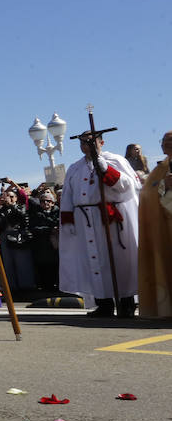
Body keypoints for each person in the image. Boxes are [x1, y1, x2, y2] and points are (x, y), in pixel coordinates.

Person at [60, 132, 141, 317]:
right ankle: (103, 303)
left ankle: (126, 302)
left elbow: (129, 187)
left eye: (90, 142)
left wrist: (105, 169)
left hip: (110, 219)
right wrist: (68, 220)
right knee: (93, 261)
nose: (85, 145)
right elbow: (67, 196)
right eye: (83, 142)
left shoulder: (115, 160)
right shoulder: (75, 167)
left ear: (101, 142)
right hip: (85, 220)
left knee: (120, 261)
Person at [137, 130, 172, 318]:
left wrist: (167, 193)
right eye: (164, 141)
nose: (167, 144)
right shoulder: (160, 170)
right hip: (161, 230)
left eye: (171, 140)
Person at [28, 185, 62, 292]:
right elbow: (33, 228)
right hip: (42, 246)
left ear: (52, 202)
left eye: (48, 201)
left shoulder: (58, 212)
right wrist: (49, 230)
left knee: (56, 266)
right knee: (44, 267)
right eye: (42, 201)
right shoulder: (36, 214)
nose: (46, 203)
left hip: (56, 246)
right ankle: (46, 287)